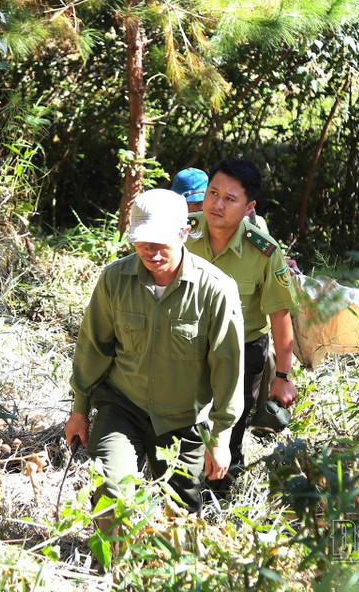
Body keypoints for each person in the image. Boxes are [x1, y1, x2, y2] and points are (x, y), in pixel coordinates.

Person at [64, 188, 247, 516]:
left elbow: (228, 368)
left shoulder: (216, 290)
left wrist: (220, 436)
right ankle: (112, 563)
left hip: (184, 419)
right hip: (124, 406)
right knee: (109, 491)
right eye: (142, 240)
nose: (150, 251)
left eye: (161, 241)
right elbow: (93, 346)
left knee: (179, 513)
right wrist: (79, 410)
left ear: (184, 233)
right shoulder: (114, 280)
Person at [185, 158, 297, 467]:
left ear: (249, 206)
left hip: (242, 349)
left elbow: (279, 314)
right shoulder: (183, 233)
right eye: (212, 193)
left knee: (231, 425)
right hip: (187, 341)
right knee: (183, 420)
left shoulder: (265, 251)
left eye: (230, 199)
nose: (217, 204)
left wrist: (283, 377)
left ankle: (222, 485)